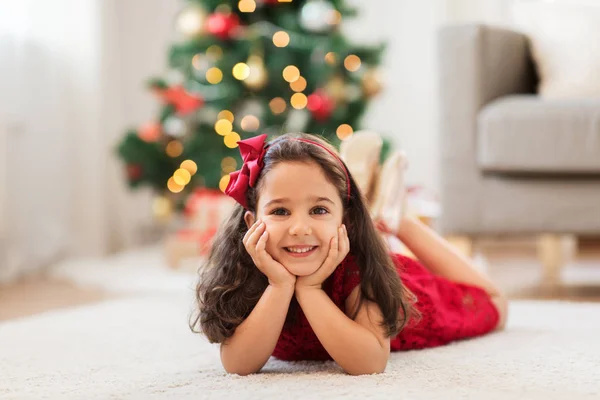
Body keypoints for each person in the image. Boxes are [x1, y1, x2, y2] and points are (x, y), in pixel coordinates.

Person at [190, 132, 508, 376]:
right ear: (252, 222)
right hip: (315, 251)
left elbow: (370, 362)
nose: (299, 228)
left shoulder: (360, 269)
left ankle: (398, 221)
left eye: (318, 209)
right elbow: (238, 365)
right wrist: (279, 285)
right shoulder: (249, 271)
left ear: (346, 220)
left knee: (496, 305)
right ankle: (370, 202)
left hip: (409, 293)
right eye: (281, 211)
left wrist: (310, 289)